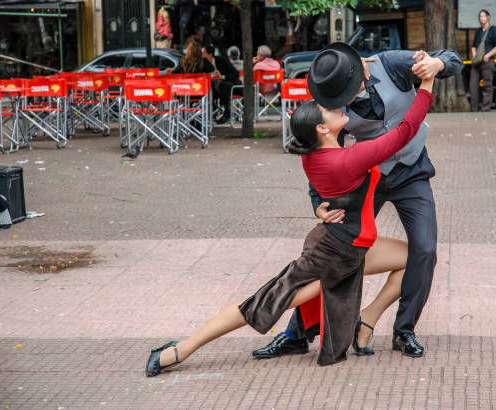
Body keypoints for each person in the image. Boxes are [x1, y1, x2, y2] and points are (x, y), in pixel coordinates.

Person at [145, 48, 437, 377]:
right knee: (263, 304)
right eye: (327, 109)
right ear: (323, 130)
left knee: (416, 257)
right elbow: (404, 132)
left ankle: (365, 320)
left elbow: (322, 185)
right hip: (335, 253)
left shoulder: (315, 154)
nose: (335, 105)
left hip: (349, 244)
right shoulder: (349, 158)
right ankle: (180, 349)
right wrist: (426, 84)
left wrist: (319, 206)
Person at [252, 43, 463, 360]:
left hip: (411, 171)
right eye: (337, 100)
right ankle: (296, 334)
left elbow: (453, 58)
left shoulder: (391, 63)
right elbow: (316, 154)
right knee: (331, 252)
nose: (342, 104)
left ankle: (404, 329)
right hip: (367, 177)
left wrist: (437, 65)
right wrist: (318, 203)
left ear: (359, 70)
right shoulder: (330, 97)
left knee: (425, 249)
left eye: (346, 94)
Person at [469, 9, 496, 112]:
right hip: (477, 61)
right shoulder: (478, 31)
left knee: (487, 85)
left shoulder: (493, 30)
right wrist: (474, 52)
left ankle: (485, 108)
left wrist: (488, 55)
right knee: (473, 85)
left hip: (487, 61)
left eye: (483, 16)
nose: (482, 18)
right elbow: (474, 45)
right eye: (480, 16)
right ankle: (474, 109)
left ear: (488, 17)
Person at [202, 44, 241, 124]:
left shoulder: (222, 60)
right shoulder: (202, 64)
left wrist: (222, 76)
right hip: (213, 89)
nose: (202, 56)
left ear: (210, 54)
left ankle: (227, 112)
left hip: (227, 86)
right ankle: (211, 113)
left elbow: (235, 74)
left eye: (203, 53)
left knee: (224, 85)